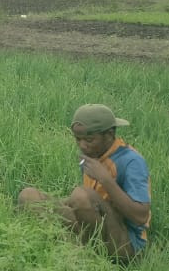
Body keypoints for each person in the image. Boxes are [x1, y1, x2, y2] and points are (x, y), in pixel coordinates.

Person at [17, 104, 151, 262]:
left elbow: (141, 216)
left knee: (80, 195)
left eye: (89, 140)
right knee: (29, 196)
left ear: (109, 134)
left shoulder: (131, 161)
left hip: (126, 243)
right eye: (77, 139)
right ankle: (75, 248)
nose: (82, 145)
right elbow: (92, 202)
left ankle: (83, 255)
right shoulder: (94, 154)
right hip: (95, 227)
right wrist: (60, 204)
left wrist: (105, 179)